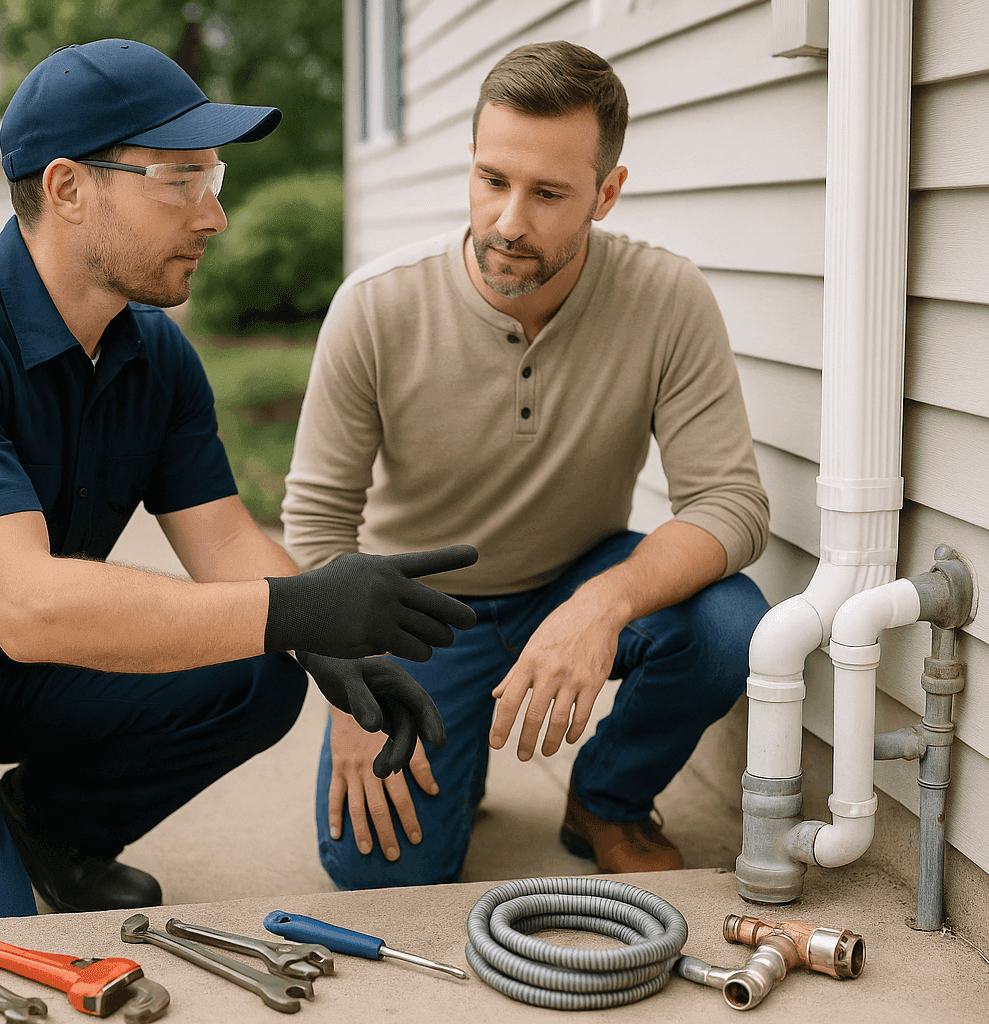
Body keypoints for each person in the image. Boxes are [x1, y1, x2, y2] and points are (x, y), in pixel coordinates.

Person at [0, 39, 476, 927]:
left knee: (258, 674)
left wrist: (331, 640)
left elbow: (225, 545)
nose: (214, 217)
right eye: (178, 179)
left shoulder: (153, 352)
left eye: (216, 179)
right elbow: (27, 604)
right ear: (67, 189)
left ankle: (47, 830)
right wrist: (294, 610)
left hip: (10, 665)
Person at [282, 40, 772, 889]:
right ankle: (457, 760)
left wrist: (600, 605)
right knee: (379, 878)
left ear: (606, 194)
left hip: (572, 576)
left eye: (548, 194)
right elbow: (318, 527)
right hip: (415, 614)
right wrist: (353, 690)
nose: (510, 220)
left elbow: (730, 503)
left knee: (727, 625)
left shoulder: (667, 298)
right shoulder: (376, 306)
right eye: (491, 180)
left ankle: (609, 799)